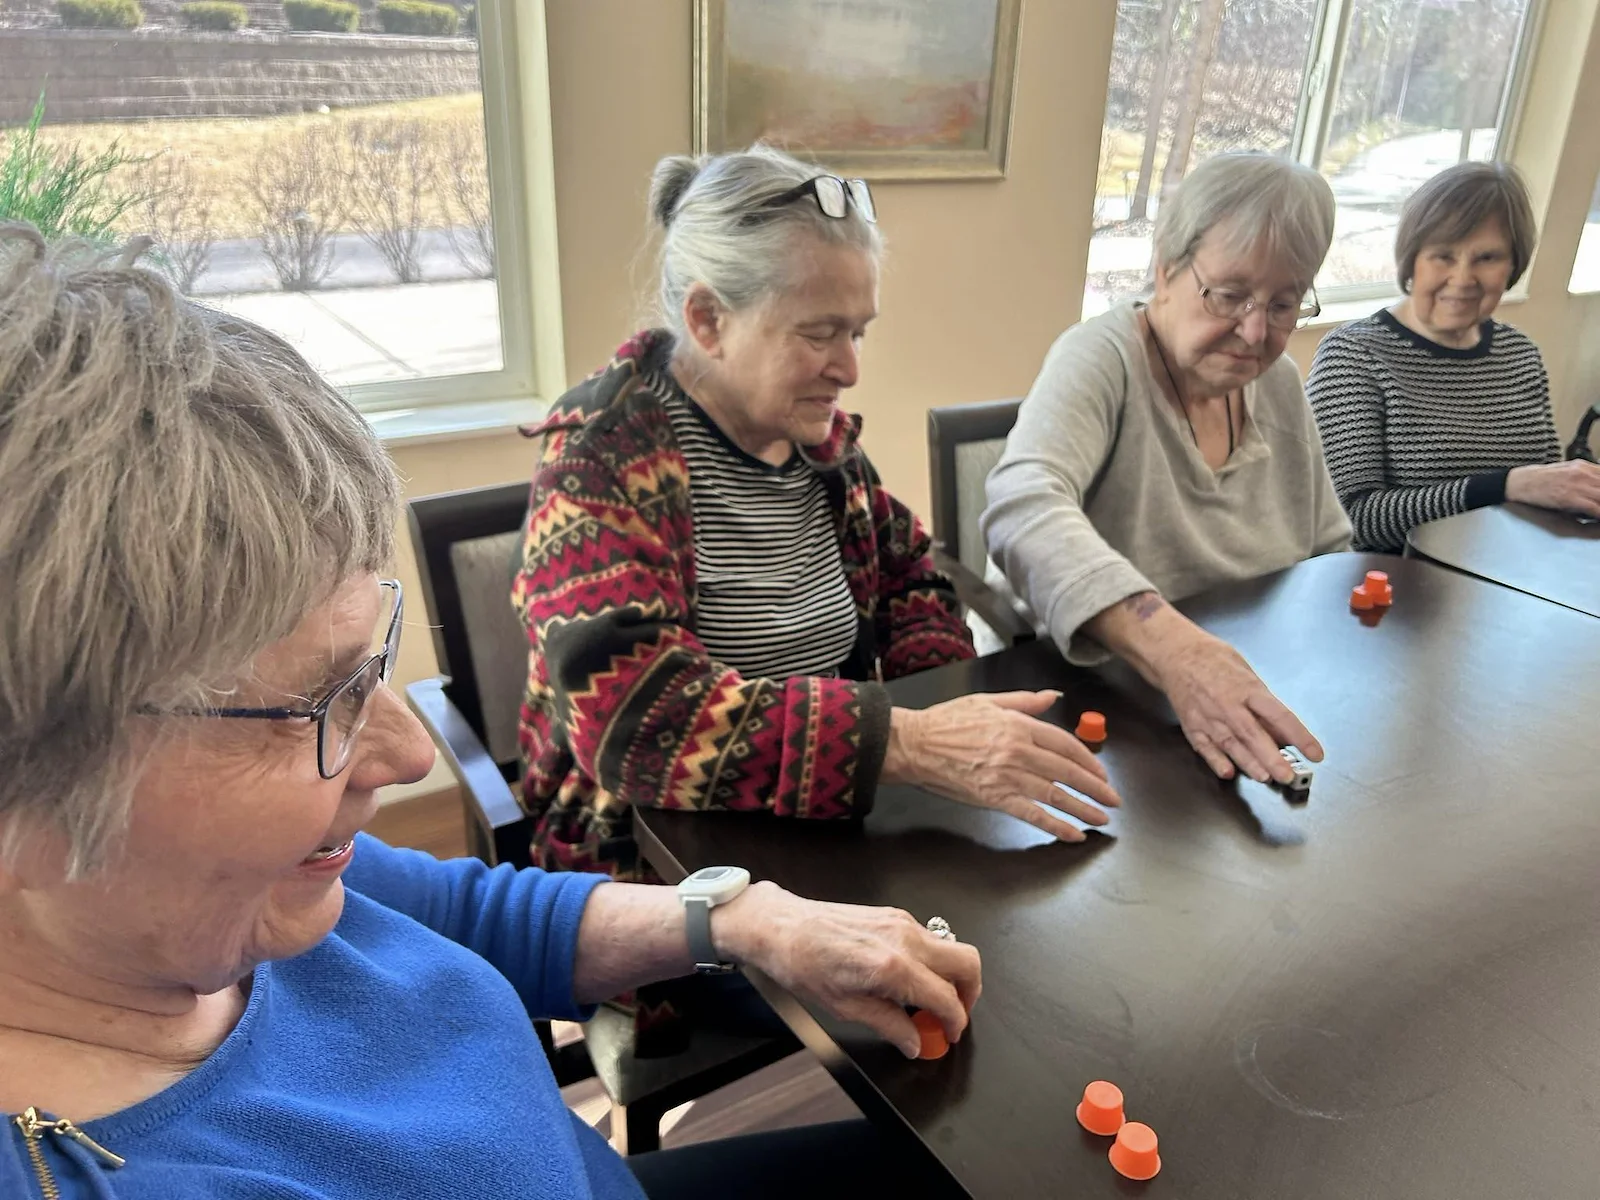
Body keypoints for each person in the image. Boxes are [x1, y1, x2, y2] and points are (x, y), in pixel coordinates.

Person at [0, 224, 980, 1199]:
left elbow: (468, 913)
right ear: (26, 810)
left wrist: (744, 918)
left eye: (370, 661)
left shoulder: (251, 893)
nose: (407, 750)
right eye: (317, 703)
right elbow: (641, 713)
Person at [513, 145, 1122, 883]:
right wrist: (911, 744)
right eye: (819, 332)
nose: (851, 368)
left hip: (837, 826)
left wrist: (937, 706)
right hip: (658, 871)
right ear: (708, 319)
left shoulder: (819, 445)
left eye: (857, 331)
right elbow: (639, 720)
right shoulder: (601, 462)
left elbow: (911, 578)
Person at [982, 153, 1352, 788]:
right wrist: (1176, 647)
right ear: (1164, 270)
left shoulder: (1280, 383)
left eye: (1284, 303)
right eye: (1230, 295)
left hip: (1246, 682)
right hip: (1098, 691)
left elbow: (1326, 551)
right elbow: (1021, 505)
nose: (1255, 331)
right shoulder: (1101, 359)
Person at [1306, 160, 1600, 549]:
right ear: (1412, 259)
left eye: (1487, 258)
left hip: (1509, 579)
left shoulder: (1520, 354)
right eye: (1444, 255)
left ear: (1513, 266)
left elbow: (1545, 493)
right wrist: (1505, 486)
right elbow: (1353, 520)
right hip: (1397, 591)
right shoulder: (1354, 355)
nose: (1462, 279)